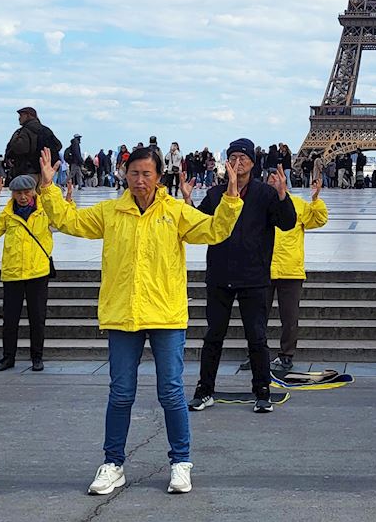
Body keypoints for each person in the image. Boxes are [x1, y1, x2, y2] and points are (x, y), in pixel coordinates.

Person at [41, 145, 242, 496]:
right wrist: (48, 188)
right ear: (125, 175)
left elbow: (215, 231)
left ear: (158, 176)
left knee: (171, 392)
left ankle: (181, 462)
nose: (139, 180)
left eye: (146, 173)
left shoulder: (174, 212)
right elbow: (68, 221)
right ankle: (112, 463)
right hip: (123, 314)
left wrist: (231, 197)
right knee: (120, 394)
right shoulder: (111, 211)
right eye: (133, 173)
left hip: (165, 314)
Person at [189, 138, 298, 413]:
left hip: (254, 276)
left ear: (253, 162)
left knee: (257, 338)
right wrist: (188, 200)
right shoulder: (215, 195)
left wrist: (283, 195)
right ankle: (204, 390)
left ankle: (262, 391)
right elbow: (197, 227)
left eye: (244, 157)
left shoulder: (265, 194)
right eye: (233, 157)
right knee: (213, 336)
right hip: (219, 275)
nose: (238, 162)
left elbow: (287, 223)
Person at [0, 173, 62, 372]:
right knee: (10, 319)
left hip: (37, 272)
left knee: (37, 317)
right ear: (12, 194)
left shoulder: (44, 210)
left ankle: (37, 357)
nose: (23, 197)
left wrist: (67, 201)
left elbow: (62, 221)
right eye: (18, 193)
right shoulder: (7, 213)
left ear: (34, 192)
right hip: (13, 272)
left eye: (26, 192)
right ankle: (8, 357)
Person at [269, 172, 327, 373]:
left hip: (290, 269)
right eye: (271, 181)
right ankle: (256, 354)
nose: (274, 184)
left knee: (290, 317)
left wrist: (315, 199)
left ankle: (286, 355)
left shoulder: (298, 204)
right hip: (263, 269)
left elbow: (319, 219)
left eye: (277, 180)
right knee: (256, 316)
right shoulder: (260, 204)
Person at [3, 106, 63, 183]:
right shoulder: (46, 130)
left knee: (28, 194)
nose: (19, 118)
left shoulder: (24, 131)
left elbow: (20, 148)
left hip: (28, 171)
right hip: (45, 171)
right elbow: (58, 145)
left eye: (21, 115)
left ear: (29, 115)